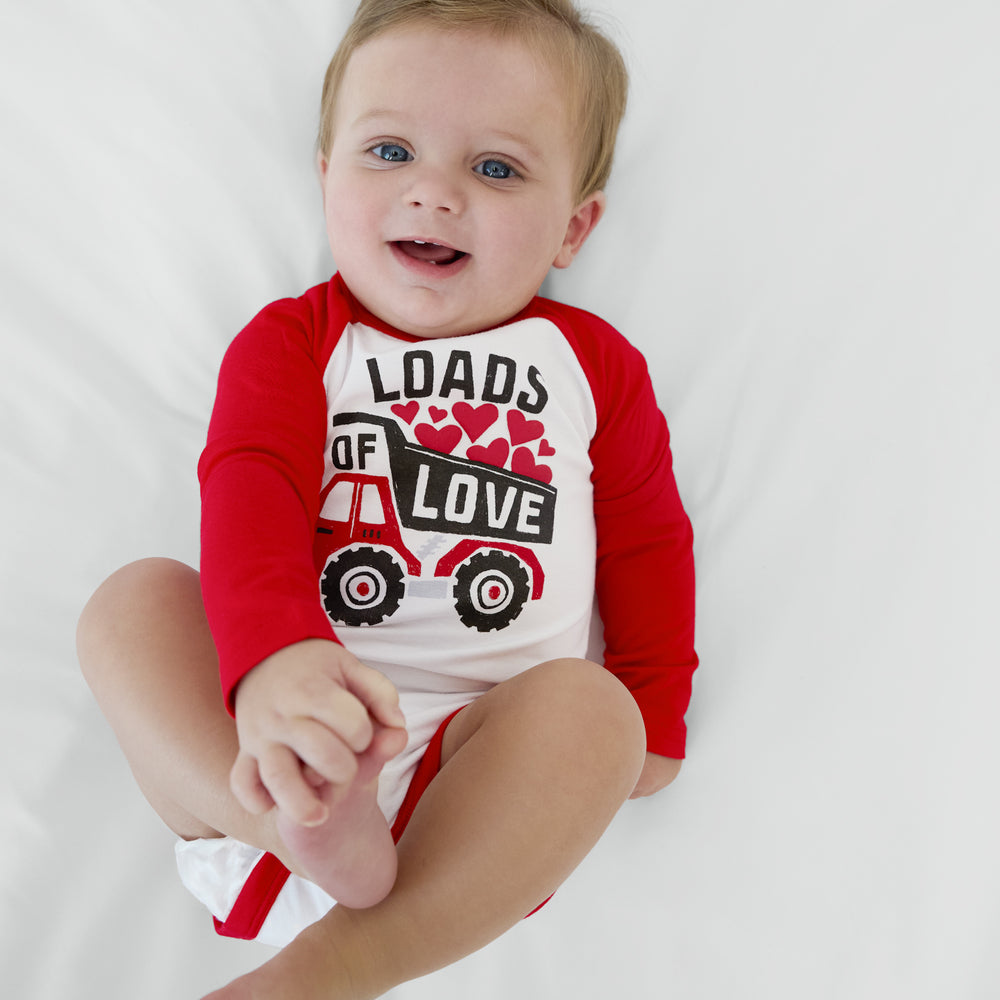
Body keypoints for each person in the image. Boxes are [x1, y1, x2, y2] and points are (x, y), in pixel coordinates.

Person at [76, 0, 698, 996]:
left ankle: (337, 965)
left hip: (474, 781)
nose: (433, 193)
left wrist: (655, 709)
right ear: (326, 177)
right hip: (264, 755)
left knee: (595, 711)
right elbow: (249, 488)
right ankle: (304, 826)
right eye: (389, 151)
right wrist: (271, 667)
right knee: (130, 605)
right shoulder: (293, 341)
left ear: (573, 226)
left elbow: (648, 535)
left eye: (495, 169)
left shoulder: (592, 367)